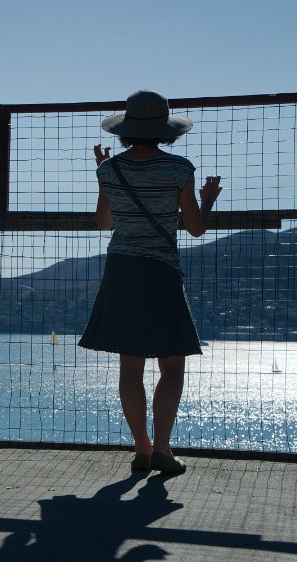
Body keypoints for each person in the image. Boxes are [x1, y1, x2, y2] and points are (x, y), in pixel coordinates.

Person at [78, 90, 223, 475]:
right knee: (171, 366)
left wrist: (105, 177)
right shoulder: (179, 169)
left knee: (131, 367)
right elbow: (194, 229)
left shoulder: (108, 170)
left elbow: (104, 223)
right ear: (165, 130)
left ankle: (141, 449)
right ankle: (163, 449)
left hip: (122, 269)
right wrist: (208, 200)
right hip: (160, 271)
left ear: (125, 130)